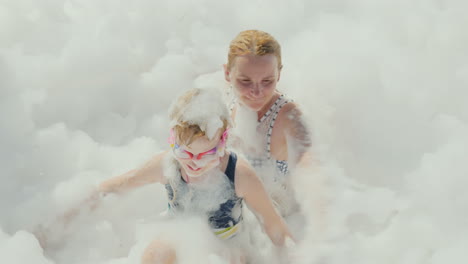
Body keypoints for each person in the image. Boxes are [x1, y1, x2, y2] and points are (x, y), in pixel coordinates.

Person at [48, 88, 294, 264]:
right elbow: (114, 188)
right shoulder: (167, 165)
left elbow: (274, 228)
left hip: (228, 244)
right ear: (172, 141)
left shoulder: (239, 174)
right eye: (185, 153)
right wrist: (61, 222)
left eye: (206, 155)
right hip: (181, 233)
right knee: (155, 255)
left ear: (222, 144)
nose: (194, 164)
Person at [223, 30, 312, 217]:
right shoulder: (222, 102)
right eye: (245, 81)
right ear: (227, 74)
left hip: (276, 218)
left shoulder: (289, 117)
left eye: (267, 81)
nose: (257, 92)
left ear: (279, 75)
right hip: (230, 212)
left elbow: (312, 165)